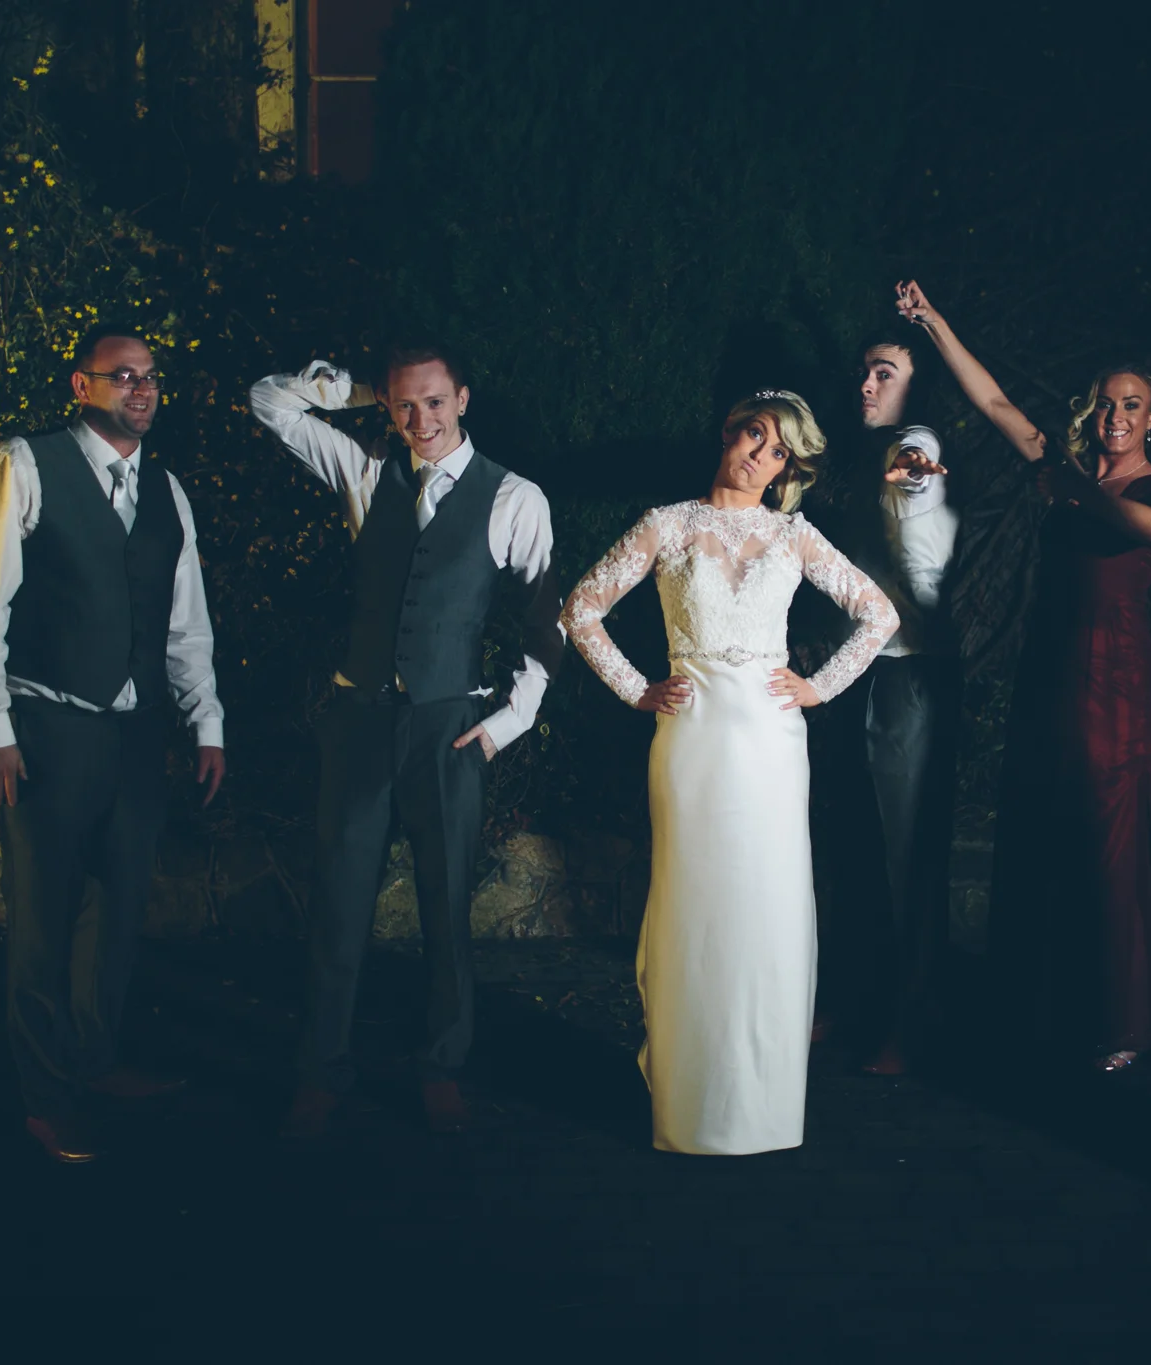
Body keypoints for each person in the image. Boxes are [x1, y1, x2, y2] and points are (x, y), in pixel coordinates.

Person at [561, 391, 898, 1155]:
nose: (759, 454)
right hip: (693, 734)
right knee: (696, 907)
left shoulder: (793, 534)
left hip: (774, 743)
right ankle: (692, 1105)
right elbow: (580, 607)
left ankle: (766, 1107)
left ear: (788, 468)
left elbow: (879, 614)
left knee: (771, 910)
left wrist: (818, 686)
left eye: (778, 450)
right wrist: (636, 686)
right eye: (754, 435)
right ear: (729, 433)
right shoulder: (668, 522)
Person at [249, 345, 562, 1137]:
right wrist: (358, 393)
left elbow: (543, 623)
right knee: (339, 903)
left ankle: (441, 1066)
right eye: (403, 407)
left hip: (449, 727)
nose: (420, 421)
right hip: (358, 722)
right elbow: (268, 402)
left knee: (446, 904)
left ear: (462, 397)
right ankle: (321, 1073)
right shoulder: (364, 470)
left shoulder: (515, 497)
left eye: (432, 403)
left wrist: (506, 723)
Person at [895, 280, 1151, 1074]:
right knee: (1038, 820)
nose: (1116, 416)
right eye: (1104, 403)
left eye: (1131, 405)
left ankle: (1124, 1015)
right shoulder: (1063, 464)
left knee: (1108, 834)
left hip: (1116, 680)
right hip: (1050, 663)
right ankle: (1041, 1001)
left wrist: (1075, 493)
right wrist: (934, 323)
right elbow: (993, 403)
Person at [0, 322, 227, 1163]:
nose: (141, 390)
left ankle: (93, 1059)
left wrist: (206, 721)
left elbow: (188, 626)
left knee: (117, 909)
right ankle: (46, 1097)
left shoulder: (168, 491)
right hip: (47, 725)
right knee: (44, 916)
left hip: (138, 734)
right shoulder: (22, 466)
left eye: (151, 378)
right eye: (123, 377)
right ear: (81, 386)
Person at [804, 328, 960, 1075]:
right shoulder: (863, 454)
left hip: (911, 676)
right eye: (864, 369)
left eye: (884, 372)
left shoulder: (912, 443)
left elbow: (918, 486)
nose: (866, 383)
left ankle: (915, 1022)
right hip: (857, 671)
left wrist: (914, 479)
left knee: (906, 858)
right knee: (855, 848)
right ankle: (852, 1001)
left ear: (913, 387)